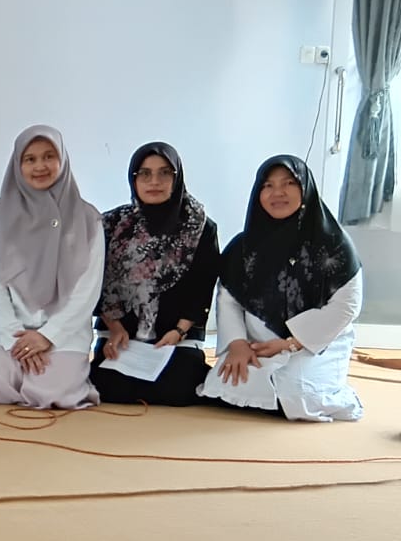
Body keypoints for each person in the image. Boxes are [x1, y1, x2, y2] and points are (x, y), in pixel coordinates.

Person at [198, 155, 364, 421]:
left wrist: (292, 342)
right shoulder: (243, 246)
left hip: (313, 345)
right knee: (224, 383)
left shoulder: (334, 244)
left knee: (296, 394)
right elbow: (228, 298)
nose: (278, 193)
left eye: (288, 183)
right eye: (268, 185)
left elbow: (347, 305)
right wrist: (238, 343)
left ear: (305, 189)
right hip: (257, 344)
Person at [0, 126, 103, 410]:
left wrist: (48, 335)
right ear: (17, 164)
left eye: (49, 157)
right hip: (4, 330)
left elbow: (88, 289)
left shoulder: (88, 218)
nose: (40, 166)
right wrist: (14, 338)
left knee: (52, 394)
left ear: (63, 160)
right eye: (30, 159)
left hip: (64, 332)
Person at [92, 142, 220, 406]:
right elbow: (97, 284)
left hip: (176, 337)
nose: (154, 181)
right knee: (108, 389)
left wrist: (179, 331)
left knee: (178, 391)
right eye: (145, 174)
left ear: (177, 178)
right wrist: (114, 327)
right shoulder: (111, 225)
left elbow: (202, 286)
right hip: (121, 336)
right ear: (133, 179)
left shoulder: (200, 227)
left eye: (164, 173)